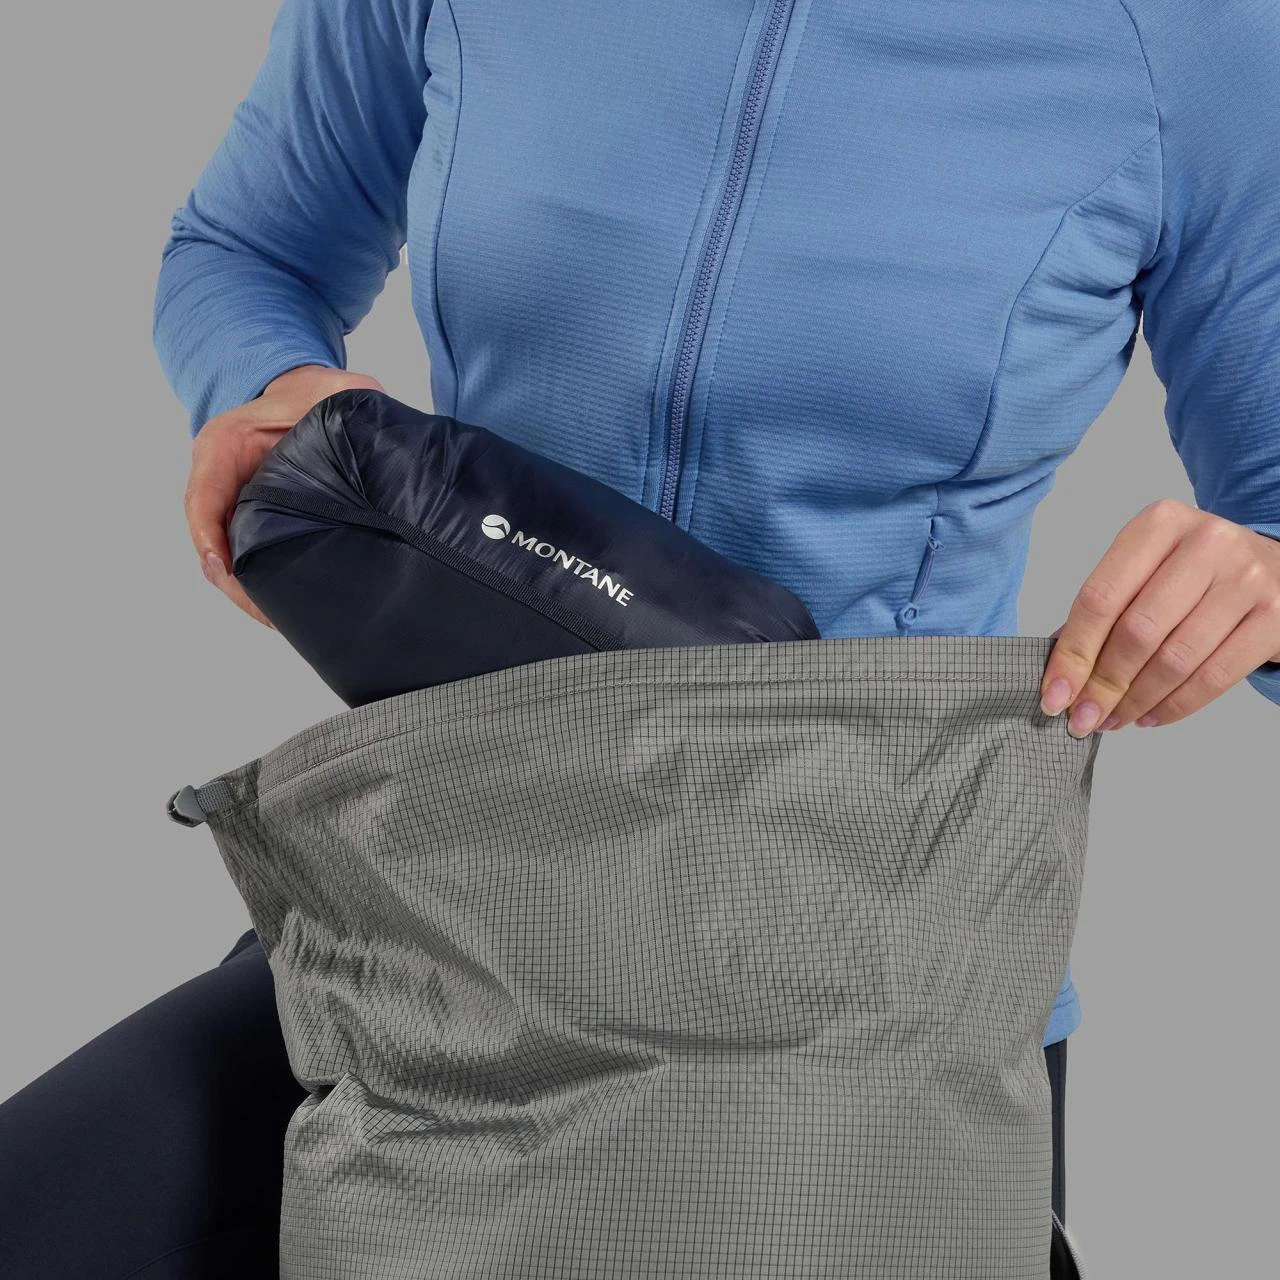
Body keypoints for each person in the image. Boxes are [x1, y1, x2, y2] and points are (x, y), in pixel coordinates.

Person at [3, 1, 1278, 1274]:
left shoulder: (1195, 41)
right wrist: (276, 391)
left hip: (872, 987)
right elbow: (245, 250)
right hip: (449, 894)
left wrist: (1259, 581)